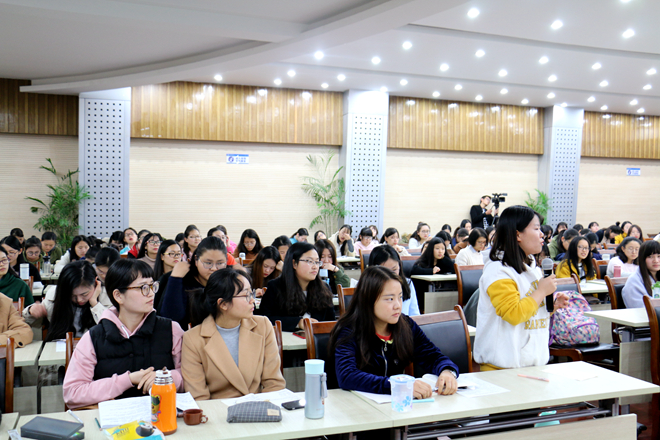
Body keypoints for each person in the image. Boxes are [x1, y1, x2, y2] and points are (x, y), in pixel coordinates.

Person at [62, 259, 184, 409]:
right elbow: (72, 393)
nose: (151, 293)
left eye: (153, 286)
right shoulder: (93, 338)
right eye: (143, 287)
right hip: (113, 419)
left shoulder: (171, 330)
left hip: (162, 415)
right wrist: (128, 380)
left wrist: (166, 378)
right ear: (118, 296)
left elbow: (191, 378)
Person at [329, 266, 457, 397]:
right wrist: (397, 386)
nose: (398, 305)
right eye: (390, 299)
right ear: (368, 300)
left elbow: (433, 356)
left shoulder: (406, 325)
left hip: (394, 404)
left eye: (400, 297)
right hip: (355, 404)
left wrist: (447, 371)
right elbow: (347, 376)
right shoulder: (349, 330)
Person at [474, 205, 568, 371]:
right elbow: (514, 314)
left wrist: (550, 306)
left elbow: (529, 309)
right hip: (501, 369)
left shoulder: (532, 266)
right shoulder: (498, 271)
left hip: (531, 365)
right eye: (536, 229)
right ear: (518, 235)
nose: (542, 234)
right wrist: (541, 291)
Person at [182, 268, 286, 400]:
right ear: (223, 304)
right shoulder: (193, 339)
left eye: (252, 293)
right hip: (218, 410)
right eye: (246, 295)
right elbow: (198, 397)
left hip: (258, 407)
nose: (252, 300)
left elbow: (274, 384)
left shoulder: (262, 326)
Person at [259, 242, 334, 332]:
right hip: (286, 340)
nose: (315, 267)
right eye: (309, 261)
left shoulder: (324, 289)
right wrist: (298, 322)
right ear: (294, 263)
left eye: (317, 262)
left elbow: (331, 323)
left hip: (318, 340)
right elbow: (265, 318)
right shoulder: (276, 287)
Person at [24, 260, 113, 335]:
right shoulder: (56, 296)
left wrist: (94, 303)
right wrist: (31, 311)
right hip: (63, 346)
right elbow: (29, 323)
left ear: (96, 284)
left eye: (84, 294)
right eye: (72, 295)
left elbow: (111, 330)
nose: (79, 300)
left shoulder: (107, 297)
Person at [159, 237, 227, 328]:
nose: (214, 268)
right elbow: (170, 318)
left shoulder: (229, 281)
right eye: (208, 263)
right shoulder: (181, 280)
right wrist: (175, 279)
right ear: (196, 260)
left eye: (220, 263)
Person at [410, 238, 453, 313]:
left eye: (443, 249)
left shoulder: (444, 262)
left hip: (441, 295)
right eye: (437, 248)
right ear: (431, 249)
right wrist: (431, 271)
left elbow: (454, 269)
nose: (440, 251)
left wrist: (444, 258)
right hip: (423, 295)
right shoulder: (422, 262)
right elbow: (414, 270)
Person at [622, 240, 660, 308]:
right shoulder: (634, 281)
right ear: (642, 258)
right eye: (650, 257)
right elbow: (639, 307)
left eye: (659, 256)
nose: (656, 261)